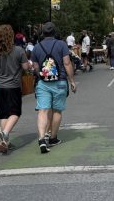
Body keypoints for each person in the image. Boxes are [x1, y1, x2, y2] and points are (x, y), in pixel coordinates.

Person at [31, 22, 77, 154]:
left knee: (43, 110)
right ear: (54, 32)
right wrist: (72, 81)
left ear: (43, 33)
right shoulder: (61, 44)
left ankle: (41, 138)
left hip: (43, 83)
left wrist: (41, 75)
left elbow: (35, 66)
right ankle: (52, 138)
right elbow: (67, 63)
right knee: (57, 111)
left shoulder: (37, 47)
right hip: (60, 81)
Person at [0, 24, 30, 154]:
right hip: (13, 86)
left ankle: (4, 142)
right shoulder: (18, 50)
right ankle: (4, 133)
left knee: (5, 114)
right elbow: (25, 68)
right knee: (15, 113)